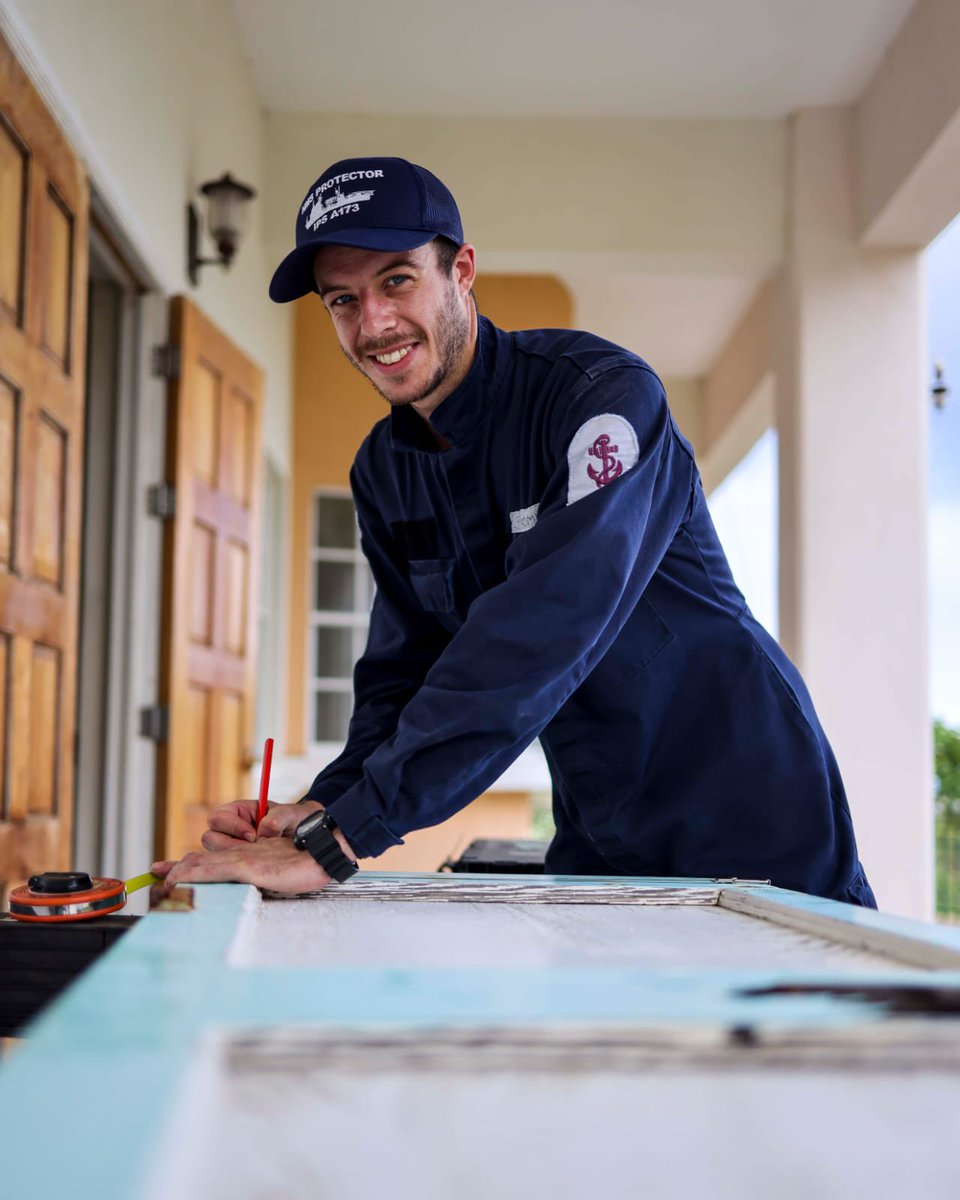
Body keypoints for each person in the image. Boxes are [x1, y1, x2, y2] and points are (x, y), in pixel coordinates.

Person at [154, 156, 876, 908]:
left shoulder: (600, 399)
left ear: (461, 270)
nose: (374, 324)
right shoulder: (384, 469)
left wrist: (344, 840)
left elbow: (543, 627)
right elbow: (404, 672)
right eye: (343, 299)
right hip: (599, 828)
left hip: (752, 810)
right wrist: (323, 807)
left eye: (397, 281)